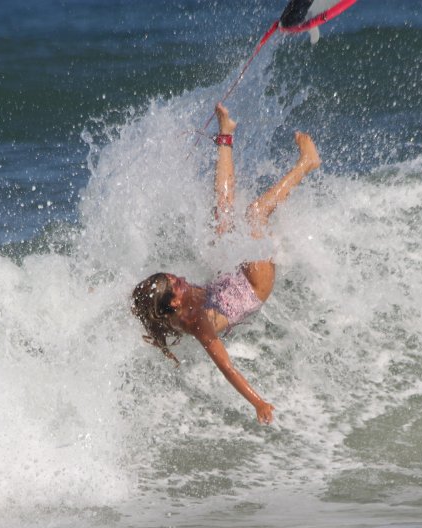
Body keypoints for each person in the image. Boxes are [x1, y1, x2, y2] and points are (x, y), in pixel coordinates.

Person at [131, 103, 321, 424]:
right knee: (254, 215)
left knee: (222, 214)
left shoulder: (171, 304)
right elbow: (227, 368)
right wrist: (258, 403)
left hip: (229, 278)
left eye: (174, 276)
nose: (181, 278)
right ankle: (307, 163)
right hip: (254, 286)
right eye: (176, 283)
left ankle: (225, 135)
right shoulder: (198, 324)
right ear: (175, 302)